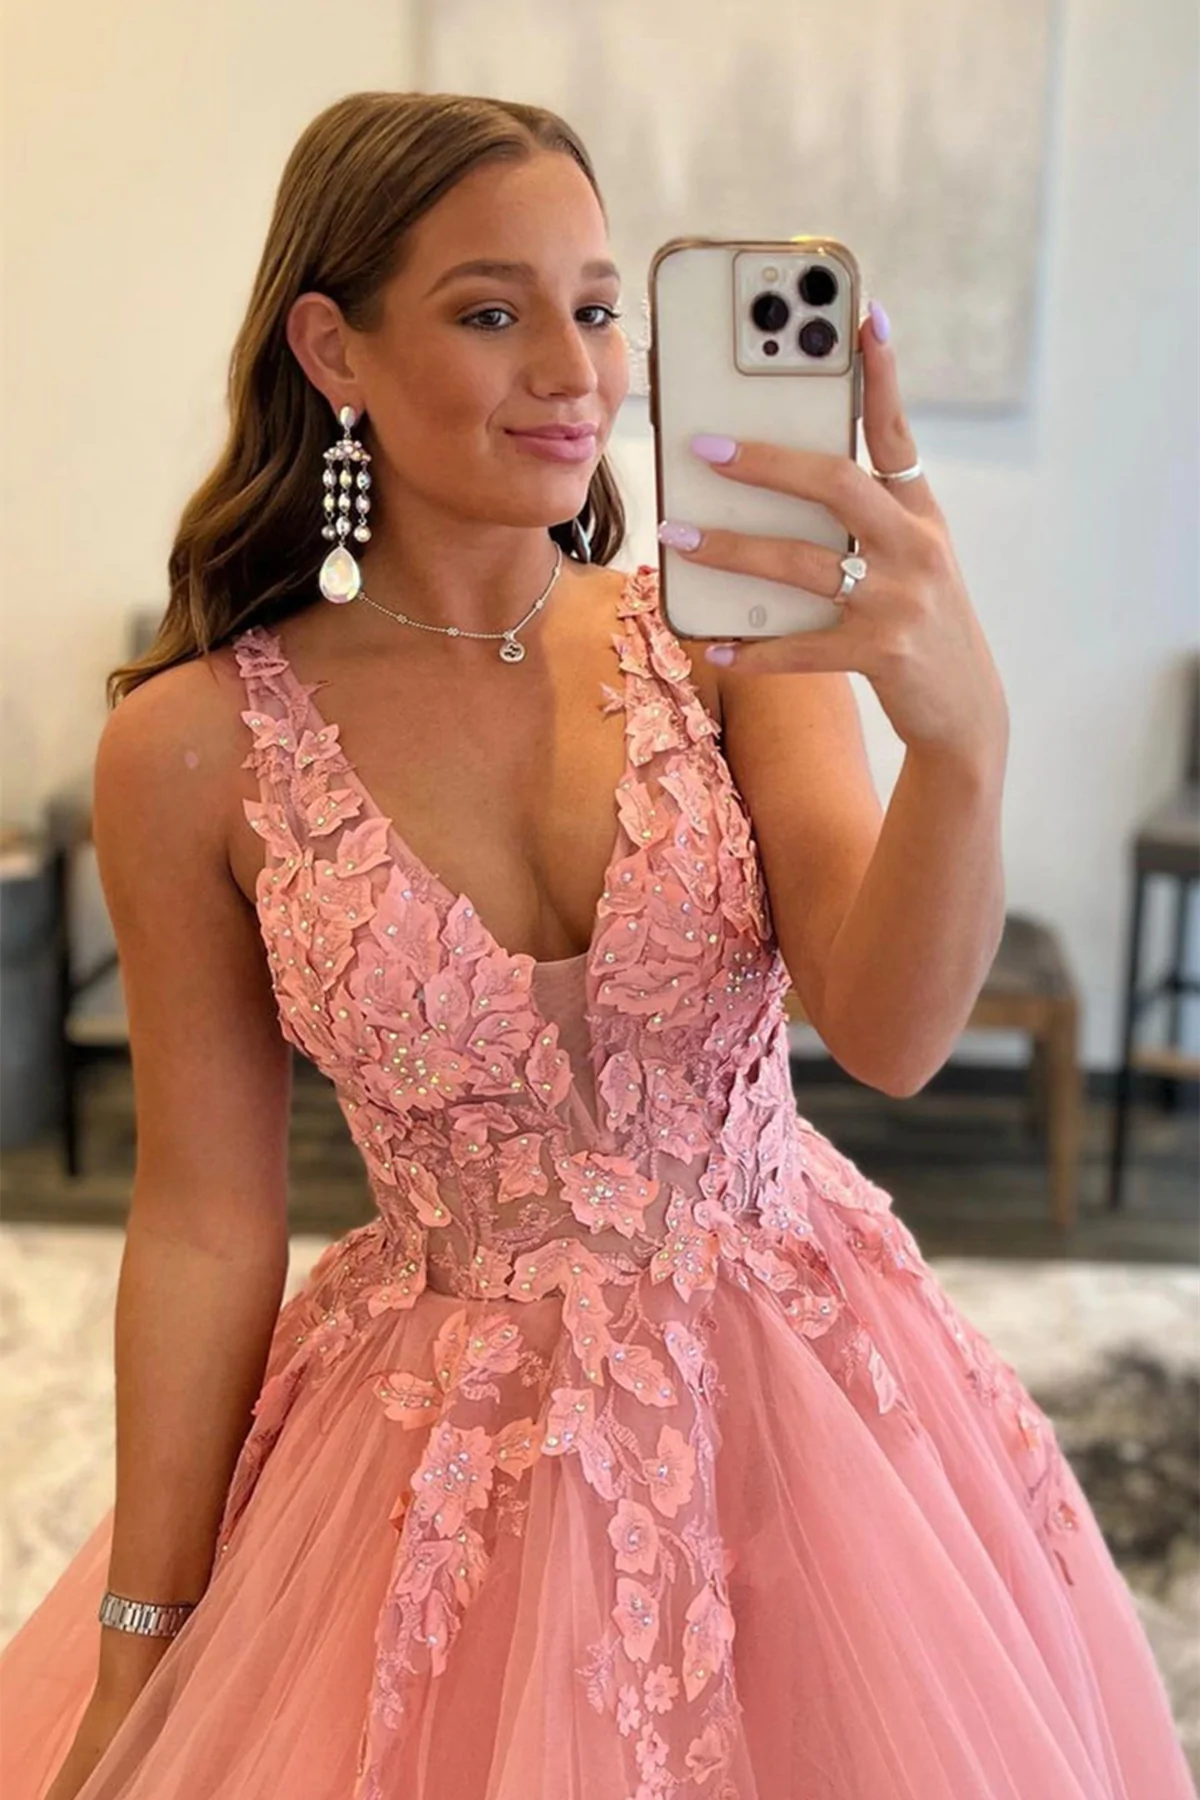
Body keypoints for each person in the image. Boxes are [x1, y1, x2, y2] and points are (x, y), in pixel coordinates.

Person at [0, 87, 1191, 1800]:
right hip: (436, 1450)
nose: (577, 370)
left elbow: (893, 1032)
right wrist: (140, 1644)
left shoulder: (723, 643)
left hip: (802, 1392)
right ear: (333, 349)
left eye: (600, 305)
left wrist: (962, 744)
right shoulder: (190, 750)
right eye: (493, 313)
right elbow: (203, 1219)